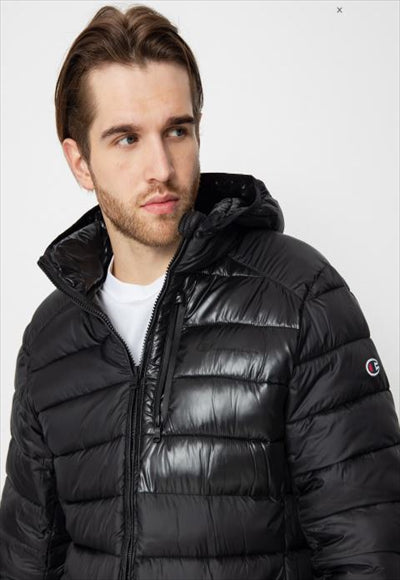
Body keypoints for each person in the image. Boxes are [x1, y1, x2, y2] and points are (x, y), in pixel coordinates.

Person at [0, 4, 399, 580]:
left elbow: (369, 555)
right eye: (126, 139)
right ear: (80, 161)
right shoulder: (51, 340)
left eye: (177, 131)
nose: (161, 167)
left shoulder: (299, 297)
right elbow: (26, 561)